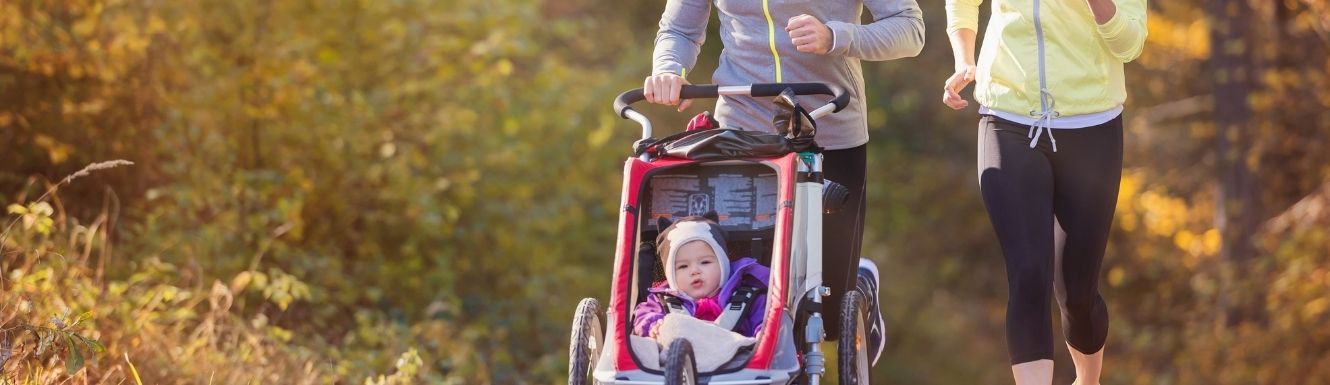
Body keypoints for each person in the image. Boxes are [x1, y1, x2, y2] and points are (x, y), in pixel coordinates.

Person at [642, 0, 925, 365]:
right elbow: (679, 29)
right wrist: (669, 69)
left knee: (828, 313)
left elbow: (910, 29)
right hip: (740, 132)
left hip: (829, 126)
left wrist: (836, 36)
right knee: (745, 298)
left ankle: (860, 280)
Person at [941, 0, 1146, 383]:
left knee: (1078, 293)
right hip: (1007, 119)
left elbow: (1130, 44)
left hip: (1092, 127)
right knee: (1028, 274)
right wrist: (964, 58)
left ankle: (1088, 379)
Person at [632, 216, 770, 338]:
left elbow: (764, 323)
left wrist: (762, 333)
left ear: (723, 265)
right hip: (679, 361)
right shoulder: (660, 301)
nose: (694, 271)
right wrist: (655, 325)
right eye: (683, 266)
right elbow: (643, 314)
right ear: (671, 275)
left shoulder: (750, 299)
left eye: (705, 262)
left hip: (739, 361)